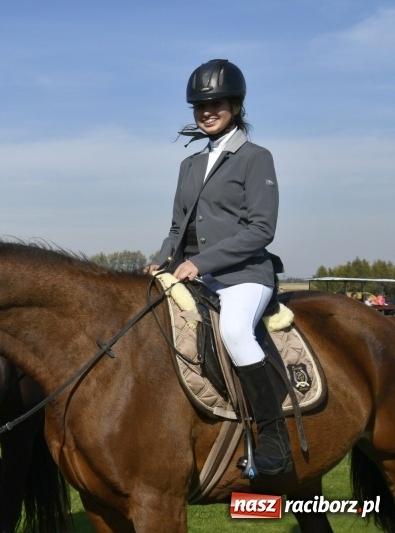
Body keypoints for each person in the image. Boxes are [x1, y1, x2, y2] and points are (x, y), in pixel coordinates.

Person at [144, 59, 290, 476]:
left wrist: (199, 263)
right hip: (195, 272)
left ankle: (274, 437)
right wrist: (162, 259)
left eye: (216, 104)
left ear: (236, 106)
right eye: (199, 106)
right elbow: (178, 228)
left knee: (234, 331)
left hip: (245, 275)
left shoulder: (256, 158)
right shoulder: (188, 165)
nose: (207, 111)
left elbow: (261, 229)